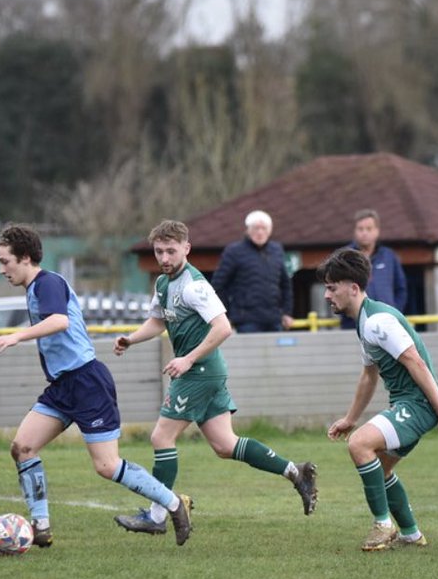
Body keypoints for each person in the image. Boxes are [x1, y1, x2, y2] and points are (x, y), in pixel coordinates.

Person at [0, 223, 193, 547]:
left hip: (87, 382)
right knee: (22, 448)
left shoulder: (47, 283)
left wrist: (16, 336)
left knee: (107, 466)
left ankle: (174, 504)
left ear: (25, 258)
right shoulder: (33, 287)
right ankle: (40, 527)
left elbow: (59, 320)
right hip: (62, 386)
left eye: (5, 261)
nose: (1, 269)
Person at [111, 219, 318, 534]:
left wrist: (188, 359)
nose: (164, 258)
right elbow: (157, 321)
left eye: (171, 251)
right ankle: (296, 472)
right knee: (225, 445)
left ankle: (155, 518)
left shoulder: (195, 285)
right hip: (205, 370)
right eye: (159, 252)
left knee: (161, 437)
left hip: (200, 371)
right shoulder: (164, 284)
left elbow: (223, 327)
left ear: (186, 249)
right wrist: (131, 338)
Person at [319, 247, 438, 552]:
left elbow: (415, 362)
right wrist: (350, 418)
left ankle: (383, 525)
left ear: (353, 288)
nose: (327, 295)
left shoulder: (377, 322)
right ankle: (410, 534)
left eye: (332, 288)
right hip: (409, 404)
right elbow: (369, 375)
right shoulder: (365, 320)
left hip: (417, 405)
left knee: (359, 444)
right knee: (380, 470)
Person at [210, 210, 294, 333]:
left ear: (269, 230)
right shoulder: (234, 252)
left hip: (274, 319)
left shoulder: (277, 250)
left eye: (263, 228)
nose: (260, 232)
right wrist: (225, 315)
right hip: (246, 320)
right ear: (248, 230)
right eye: (256, 228)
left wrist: (287, 312)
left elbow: (286, 285)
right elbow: (218, 285)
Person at [338, 209, 407, 329]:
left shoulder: (389, 256)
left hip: (387, 324)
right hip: (353, 325)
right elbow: (335, 289)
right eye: (360, 229)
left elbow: (401, 289)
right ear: (355, 231)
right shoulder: (344, 257)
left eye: (369, 229)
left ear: (377, 231)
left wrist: (394, 312)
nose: (364, 233)